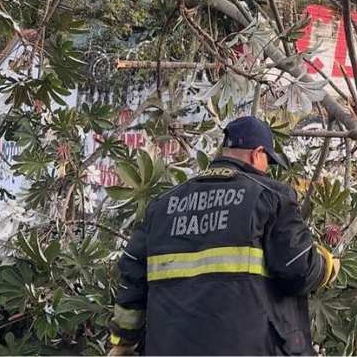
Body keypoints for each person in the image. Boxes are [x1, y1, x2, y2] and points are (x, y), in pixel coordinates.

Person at [107, 116, 339, 356]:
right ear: (257, 153)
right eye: (267, 160)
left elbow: (132, 272)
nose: (267, 169)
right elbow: (298, 268)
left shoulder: (163, 205)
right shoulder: (271, 197)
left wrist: (124, 340)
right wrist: (327, 266)